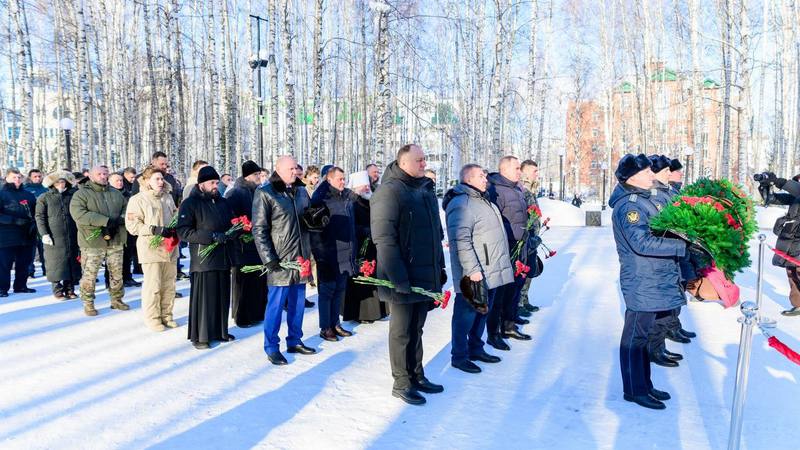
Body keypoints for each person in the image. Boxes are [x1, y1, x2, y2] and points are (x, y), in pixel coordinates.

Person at [609, 153, 686, 410]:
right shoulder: (630, 206)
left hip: (652, 277)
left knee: (641, 336)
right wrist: (680, 247)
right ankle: (634, 389)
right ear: (631, 178)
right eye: (645, 173)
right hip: (642, 279)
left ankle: (644, 385)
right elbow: (641, 242)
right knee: (634, 337)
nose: (652, 175)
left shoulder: (644, 200)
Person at [371, 144, 446, 406]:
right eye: (419, 160)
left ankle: (417, 375)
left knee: (417, 328)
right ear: (403, 163)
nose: (424, 164)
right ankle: (401, 381)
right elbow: (384, 239)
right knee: (401, 331)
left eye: (424, 159)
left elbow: (436, 234)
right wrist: (398, 278)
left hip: (425, 274)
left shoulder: (424, 189)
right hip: (401, 277)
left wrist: (440, 267)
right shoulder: (389, 191)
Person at [444, 164, 514, 374]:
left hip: (489, 270)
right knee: (465, 316)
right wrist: (472, 270)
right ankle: (459, 355)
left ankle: (476, 348)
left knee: (482, 313)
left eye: (485, 175)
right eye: (481, 176)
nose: (486, 179)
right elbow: (460, 240)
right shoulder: (462, 203)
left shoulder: (482, 199)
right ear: (468, 179)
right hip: (474, 273)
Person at [253, 155, 316, 365]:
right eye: (290, 168)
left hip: (300, 258)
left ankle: (295, 340)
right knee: (276, 306)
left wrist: (316, 220)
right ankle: (271, 346)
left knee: (298, 304)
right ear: (278, 169)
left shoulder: (300, 191)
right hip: (280, 260)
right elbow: (259, 229)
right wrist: (269, 258)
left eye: (296, 168)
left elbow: (306, 218)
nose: (295, 171)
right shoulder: (265, 193)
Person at [176, 166, 236, 349]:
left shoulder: (223, 202)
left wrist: (234, 231)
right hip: (204, 259)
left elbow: (231, 223)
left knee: (221, 296)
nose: (215, 186)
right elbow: (184, 231)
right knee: (205, 300)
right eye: (212, 183)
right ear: (201, 184)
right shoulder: (190, 203)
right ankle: (201, 336)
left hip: (223, 257)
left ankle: (220, 330)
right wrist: (210, 237)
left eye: (217, 182)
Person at [646, 155, 694, 368]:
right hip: (663, 256)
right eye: (667, 171)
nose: (672, 174)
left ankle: (662, 341)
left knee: (673, 298)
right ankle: (655, 347)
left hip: (673, 254)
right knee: (662, 305)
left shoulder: (666, 192)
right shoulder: (655, 195)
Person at [125, 166, 179, 331]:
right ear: (147, 181)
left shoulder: (168, 197)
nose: (161, 182)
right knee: (153, 286)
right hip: (151, 248)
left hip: (170, 248)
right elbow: (132, 225)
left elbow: (175, 215)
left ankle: (166, 315)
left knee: (169, 285)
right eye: (157, 178)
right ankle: (153, 318)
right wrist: (153, 229)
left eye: (162, 179)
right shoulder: (138, 199)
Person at [70, 166, 129, 316]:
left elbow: (127, 210)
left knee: (117, 273)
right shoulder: (81, 194)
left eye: (105, 174)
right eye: (99, 174)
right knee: (90, 274)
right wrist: (104, 221)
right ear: (90, 176)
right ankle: (88, 302)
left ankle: (116, 299)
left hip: (115, 239)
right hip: (92, 241)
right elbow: (79, 214)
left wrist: (118, 221)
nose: (103, 176)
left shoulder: (115, 193)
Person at [487, 156, 531, 351]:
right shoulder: (496, 190)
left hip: (521, 247)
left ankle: (509, 324)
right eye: (516, 168)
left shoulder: (517, 189)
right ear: (504, 169)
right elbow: (495, 220)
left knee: (515, 287)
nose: (519, 171)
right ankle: (494, 332)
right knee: (501, 292)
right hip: (507, 248)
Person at [310, 167, 356, 341]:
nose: (343, 182)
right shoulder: (321, 198)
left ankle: (336, 323)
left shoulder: (345, 196)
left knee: (339, 290)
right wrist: (320, 254)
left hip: (345, 252)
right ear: (329, 180)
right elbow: (315, 230)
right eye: (339, 179)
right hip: (328, 253)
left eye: (344, 179)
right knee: (327, 291)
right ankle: (325, 327)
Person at [224, 160, 268, 328]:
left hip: (257, 244)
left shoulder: (258, 191)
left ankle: (257, 312)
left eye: (259, 174)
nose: (259, 177)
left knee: (258, 280)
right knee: (243, 282)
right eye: (256, 175)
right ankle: (241, 316)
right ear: (248, 176)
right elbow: (229, 217)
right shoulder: (236, 193)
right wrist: (242, 229)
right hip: (242, 245)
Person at [342, 172, 387, 323]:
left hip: (372, 245)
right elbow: (350, 225)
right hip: (359, 245)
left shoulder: (370, 200)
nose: (367, 188)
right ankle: (361, 313)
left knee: (372, 277)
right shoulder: (351, 203)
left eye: (368, 185)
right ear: (355, 187)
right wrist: (365, 230)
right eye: (364, 185)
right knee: (360, 279)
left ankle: (376, 312)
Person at [758, 172, 800, 316]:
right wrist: (765, 187)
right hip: (792, 239)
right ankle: (798, 304)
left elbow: (795, 189)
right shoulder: (797, 197)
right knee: (791, 272)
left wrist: (777, 181)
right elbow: (774, 199)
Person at [35, 171, 81, 299]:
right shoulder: (44, 198)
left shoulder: (72, 196)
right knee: (55, 263)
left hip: (71, 234)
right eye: (57, 182)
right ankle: (57, 289)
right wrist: (44, 234)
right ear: (52, 184)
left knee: (71, 261)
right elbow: (39, 217)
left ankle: (70, 288)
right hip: (54, 236)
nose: (60, 184)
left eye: (63, 182)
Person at [0, 169, 38, 297]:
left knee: (24, 262)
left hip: (26, 234)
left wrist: (34, 222)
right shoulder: (1, 194)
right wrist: (14, 220)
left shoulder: (28, 194)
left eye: (19, 177)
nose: (17, 180)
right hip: (6, 236)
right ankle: (2, 288)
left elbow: (36, 212)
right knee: (4, 264)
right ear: (7, 178)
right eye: (14, 177)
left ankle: (21, 285)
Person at [518, 160, 542, 318]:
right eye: (534, 171)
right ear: (524, 172)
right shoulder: (522, 189)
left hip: (533, 237)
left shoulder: (531, 189)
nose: (537, 174)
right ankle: (518, 302)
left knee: (530, 268)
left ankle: (524, 299)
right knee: (523, 269)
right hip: (525, 237)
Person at [24, 169, 48, 279]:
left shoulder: (45, 189)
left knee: (44, 247)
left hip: (43, 222)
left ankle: (46, 269)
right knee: (31, 249)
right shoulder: (26, 189)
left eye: (39, 176)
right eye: (35, 176)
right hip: (30, 223)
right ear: (30, 177)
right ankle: (30, 271)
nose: (37, 178)